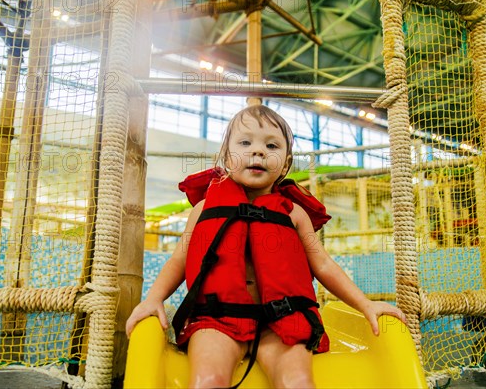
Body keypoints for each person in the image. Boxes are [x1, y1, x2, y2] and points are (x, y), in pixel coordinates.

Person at [126, 105, 407, 389]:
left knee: (297, 383)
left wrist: (365, 304)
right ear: (226, 157)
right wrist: (154, 299)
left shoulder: (294, 213)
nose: (257, 151)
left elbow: (322, 264)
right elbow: (179, 260)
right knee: (207, 381)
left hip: (280, 324)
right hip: (218, 321)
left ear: (285, 165)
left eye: (271, 145)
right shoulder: (204, 209)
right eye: (245, 143)